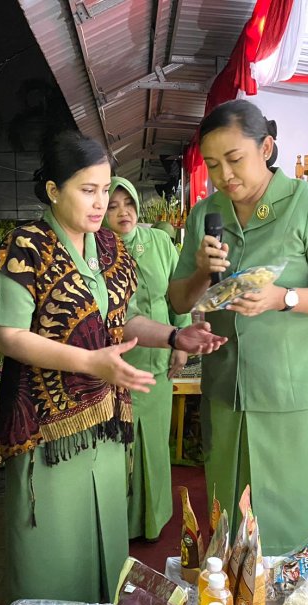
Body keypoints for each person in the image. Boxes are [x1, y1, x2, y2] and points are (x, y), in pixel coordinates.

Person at [0, 130, 225, 603]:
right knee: (54, 552)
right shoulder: (26, 248)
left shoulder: (110, 249)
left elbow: (123, 318)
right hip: (48, 430)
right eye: (87, 190)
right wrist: (90, 363)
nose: (100, 204)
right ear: (54, 191)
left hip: (105, 424)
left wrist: (176, 334)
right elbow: (8, 335)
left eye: (104, 189)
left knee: (103, 545)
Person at [169, 100, 308, 556]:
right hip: (228, 392)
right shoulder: (206, 214)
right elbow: (179, 299)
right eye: (214, 165)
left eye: (235, 160)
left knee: (296, 529)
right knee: (231, 532)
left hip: (295, 396)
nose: (225, 175)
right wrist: (201, 270)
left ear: (267, 147)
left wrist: (286, 298)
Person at [104, 177, 190, 542]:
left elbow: (178, 294)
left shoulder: (158, 241)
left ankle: (152, 519)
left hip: (161, 356)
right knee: (122, 444)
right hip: (119, 360)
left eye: (128, 203)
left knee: (154, 442)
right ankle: (121, 522)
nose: (123, 212)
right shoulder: (100, 250)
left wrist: (182, 341)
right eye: (113, 205)